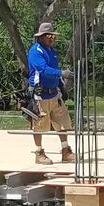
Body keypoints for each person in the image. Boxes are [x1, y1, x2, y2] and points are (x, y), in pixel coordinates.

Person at [25, 22, 73, 166]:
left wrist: (61, 86)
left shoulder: (51, 51)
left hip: (54, 94)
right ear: (41, 37)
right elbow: (43, 69)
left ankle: (66, 151)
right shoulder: (35, 51)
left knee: (63, 123)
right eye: (48, 36)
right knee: (39, 125)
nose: (51, 38)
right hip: (40, 95)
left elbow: (53, 69)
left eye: (53, 36)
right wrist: (62, 73)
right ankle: (39, 153)